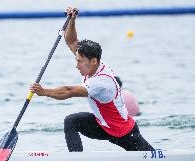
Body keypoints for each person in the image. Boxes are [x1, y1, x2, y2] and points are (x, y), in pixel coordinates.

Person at [30, 7, 154, 151]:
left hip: (124, 133)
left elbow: (68, 91)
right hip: (102, 126)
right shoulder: (89, 62)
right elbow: (71, 41)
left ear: (94, 61)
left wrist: (44, 92)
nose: (77, 66)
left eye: (79, 62)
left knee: (153, 160)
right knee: (71, 121)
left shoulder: (101, 82)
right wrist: (72, 20)